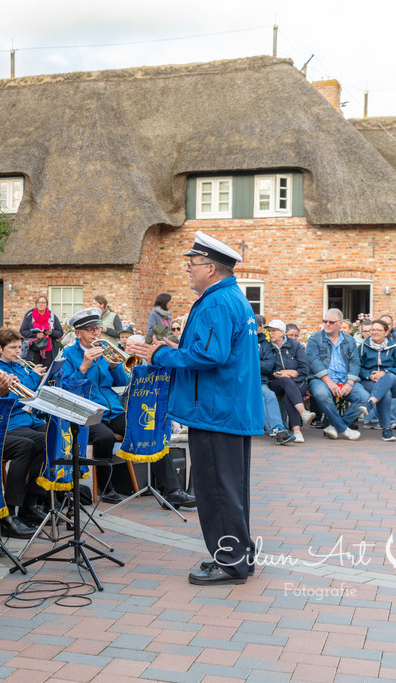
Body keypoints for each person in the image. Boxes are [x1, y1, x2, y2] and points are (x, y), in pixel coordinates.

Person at [127, 231, 262, 586]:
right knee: (231, 488)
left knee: (216, 488)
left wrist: (160, 354)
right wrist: (171, 346)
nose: (188, 268)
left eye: (194, 263)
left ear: (212, 269)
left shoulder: (216, 302)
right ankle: (238, 554)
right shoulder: (232, 297)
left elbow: (210, 356)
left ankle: (231, 562)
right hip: (227, 407)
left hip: (215, 410)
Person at [64, 307, 194, 508]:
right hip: (87, 411)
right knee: (105, 437)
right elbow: (66, 388)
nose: (96, 334)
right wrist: (83, 366)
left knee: (148, 431)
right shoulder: (68, 355)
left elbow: (123, 381)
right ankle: (106, 488)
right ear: (78, 333)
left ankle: (172, 491)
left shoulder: (105, 350)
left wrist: (115, 366)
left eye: (97, 329)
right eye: (90, 330)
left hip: (113, 410)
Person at [0, 327, 48, 537]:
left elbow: (31, 394)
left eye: (19, 347)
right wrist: (12, 387)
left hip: (29, 418)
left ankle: (31, 503)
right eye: (12, 348)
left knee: (55, 436)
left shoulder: (20, 367)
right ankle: (14, 509)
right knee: (34, 443)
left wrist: (35, 378)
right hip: (11, 423)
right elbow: (3, 402)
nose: (18, 352)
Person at [305, 308, 370, 441]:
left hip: (344, 379)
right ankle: (344, 428)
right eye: (325, 321)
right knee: (322, 394)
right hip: (321, 379)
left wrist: (350, 383)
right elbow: (313, 362)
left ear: (340, 323)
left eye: (331, 322)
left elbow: (355, 363)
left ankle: (335, 426)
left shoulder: (349, 340)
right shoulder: (315, 338)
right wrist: (329, 382)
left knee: (364, 397)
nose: (327, 324)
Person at [262, 319, 313, 443]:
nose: (270, 333)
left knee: (289, 391)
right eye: (269, 331)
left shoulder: (294, 345)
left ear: (282, 332)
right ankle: (302, 415)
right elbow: (268, 368)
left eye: (273, 331)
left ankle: (297, 431)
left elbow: (305, 368)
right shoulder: (268, 347)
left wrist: (292, 374)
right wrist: (281, 373)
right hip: (277, 382)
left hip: (298, 382)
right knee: (286, 382)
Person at [358, 319, 396, 442]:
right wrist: (369, 376)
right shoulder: (363, 347)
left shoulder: (395, 347)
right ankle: (387, 430)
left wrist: (384, 373)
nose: (374, 332)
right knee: (385, 392)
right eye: (372, 330)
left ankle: (370, 403)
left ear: (386, 332)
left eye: (378, 330)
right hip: (370, 382)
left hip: (395, 383)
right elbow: (356, 368)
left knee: (388, 377)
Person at [256, 315, 294, 446]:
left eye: (254, 326)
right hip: (242, 382)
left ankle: (278, 429)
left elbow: (268, 365)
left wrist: (250, 362)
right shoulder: (241, 341)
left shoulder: (264, 344)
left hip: (260, 381)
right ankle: (276, 430)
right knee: (260, 397)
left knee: (269, 395)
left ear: (260, 328)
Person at [19, 295, 63, 368]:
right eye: (39, 302)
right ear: (36, 304)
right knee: (34, 373)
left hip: (49, 351)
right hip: (33, 351)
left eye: (43, 302)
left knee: (46, 374)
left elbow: (60, 332)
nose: (41, 304)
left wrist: (51, 332)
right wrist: (35, 335)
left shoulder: (52, 316)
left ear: (46, 304)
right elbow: (22, 331)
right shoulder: (29, 315)